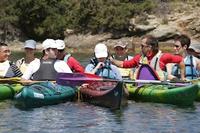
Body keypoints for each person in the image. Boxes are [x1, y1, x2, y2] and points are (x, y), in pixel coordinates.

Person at [110, 35, 186, 81]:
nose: (140, 48)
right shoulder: (138, 58)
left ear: (149, 47)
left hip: (159, 86)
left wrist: (183, 77)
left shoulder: (163, 57)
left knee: (169, 76)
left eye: (142, 46)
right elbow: (123, 64)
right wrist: (112, 60)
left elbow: (180, 60)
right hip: (143, 86)